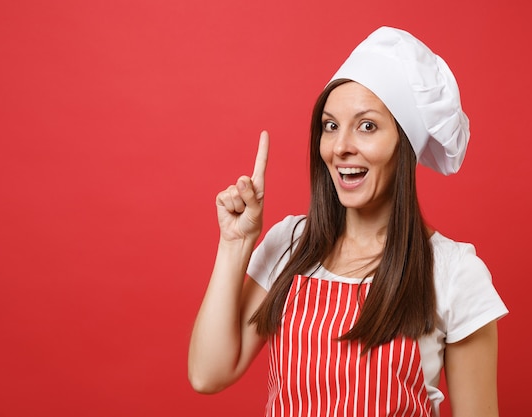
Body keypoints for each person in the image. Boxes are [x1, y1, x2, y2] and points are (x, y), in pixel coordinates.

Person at [188, 26, 508, 417]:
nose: (340, 147)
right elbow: (208, 374)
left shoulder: (455, 273)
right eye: (330, 125)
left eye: (367, 126)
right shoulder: (290, 244)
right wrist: (234, 244)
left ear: (403, 144)